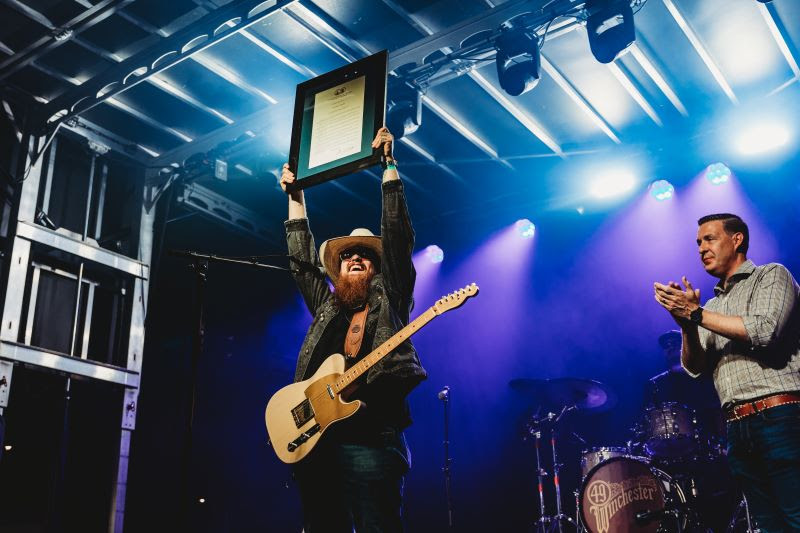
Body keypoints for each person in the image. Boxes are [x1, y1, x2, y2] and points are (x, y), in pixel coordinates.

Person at [279, 126, 427, 533]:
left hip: (371, 440)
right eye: (348, 256)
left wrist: (389, 169)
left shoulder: (389, 298)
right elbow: (302, 263)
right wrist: (296, 195)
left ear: (377, 268)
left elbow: (397, 241)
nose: (356, 259)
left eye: (365, 255)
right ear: (338, 268)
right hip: (318, 443)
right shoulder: (327, 305)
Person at [653, 212, 800, 532]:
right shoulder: (712, 308)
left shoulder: (771, 275)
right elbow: (695, 368)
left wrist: (695, 312)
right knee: (769, 524)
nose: (701, 248)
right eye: (697, 243)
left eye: (710, 239)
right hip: (737, 427)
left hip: (781, 416)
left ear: (737, 240)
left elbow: (764, 330)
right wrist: (687, 326)